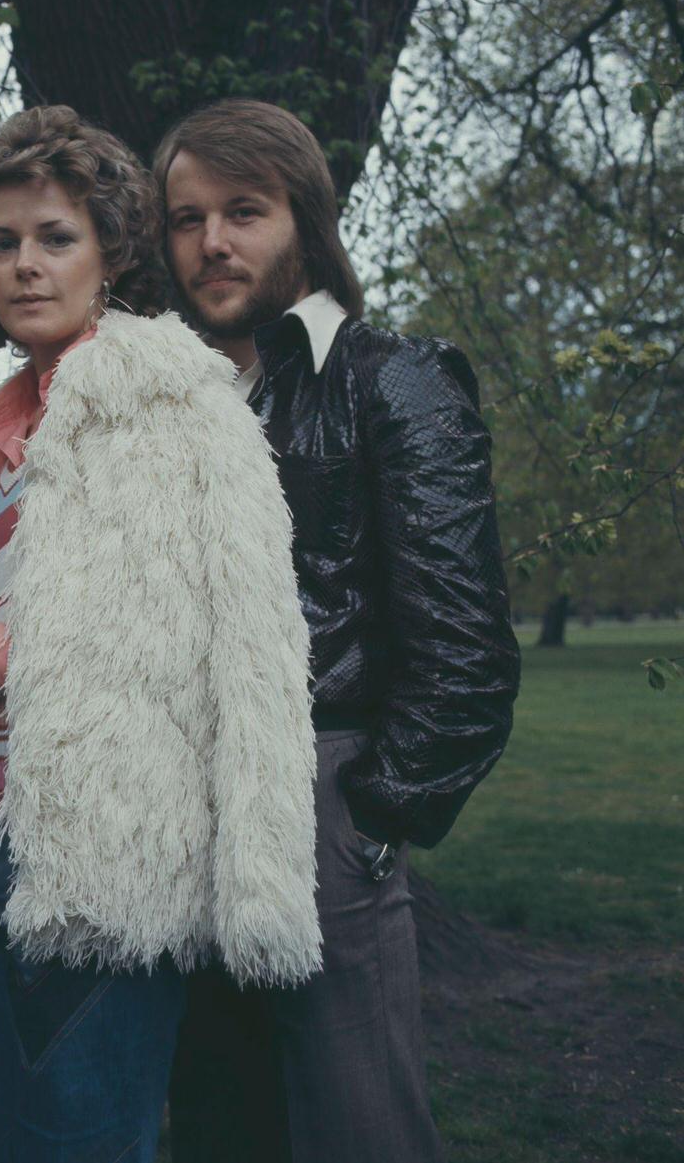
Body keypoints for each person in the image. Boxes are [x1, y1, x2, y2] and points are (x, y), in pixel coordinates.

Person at [0, 105, 322, 1163]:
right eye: (1, 243)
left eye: (55, 237)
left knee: (77, 1141)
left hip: (95, 858)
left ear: (111, 252)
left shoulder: (165, 401)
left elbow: (125, 628)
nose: (25, 265)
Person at [158, 99, 521, 1163]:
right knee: (219, 1123)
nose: (211, 242)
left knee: (357, 1126)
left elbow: (465, 650)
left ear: (305, 224)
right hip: (185, 803)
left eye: (243, 211)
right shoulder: (177, 396)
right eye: (186, 218)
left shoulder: (390, 377)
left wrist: (370, 814)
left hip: (323, 792)